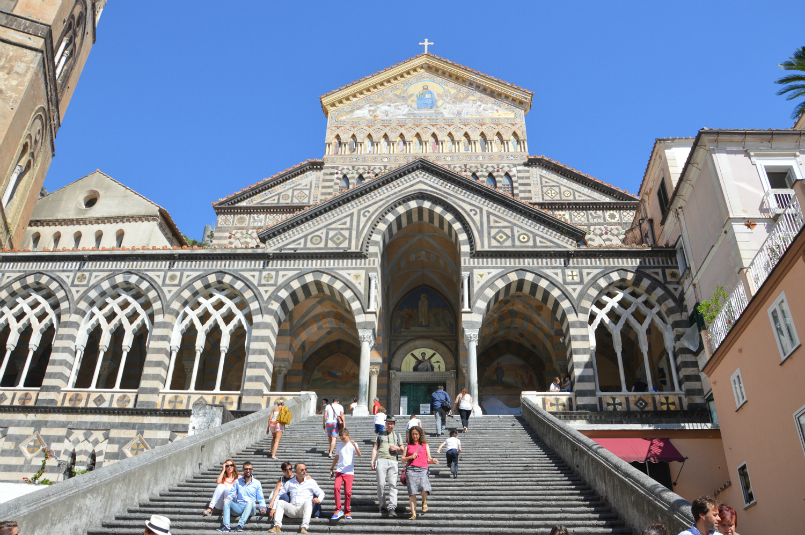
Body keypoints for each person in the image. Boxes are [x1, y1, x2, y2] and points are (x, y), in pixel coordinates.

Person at [269, 463, 325, 534]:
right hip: (293, 508)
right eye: (302, 470)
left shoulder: (311, 482)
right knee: (280, 502)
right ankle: (277, 526)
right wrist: (274, 508)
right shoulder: (290, 483)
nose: (304, 471)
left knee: (308, 502)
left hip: (304, 509)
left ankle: (304, 527)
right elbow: (279, 494)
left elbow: (321, 493)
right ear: (296, 471)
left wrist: (319, 499)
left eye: (305, 469)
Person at [401, 425, 439, 520]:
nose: (414, 436)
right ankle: (413, 514)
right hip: (411, 470)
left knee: (424, 487)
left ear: (420, 434)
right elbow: (402, 459)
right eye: (413, 434)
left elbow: (428, 459)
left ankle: (424, 500)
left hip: (423, 469)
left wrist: (433, 460)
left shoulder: (425, 445)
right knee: (412, 493)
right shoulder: (408, 445)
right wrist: (410, 457)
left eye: (416, 434)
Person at [218, 461, 266, 532]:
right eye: (246, 469)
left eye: (250, 469)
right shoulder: (237, 482)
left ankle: (240, 525)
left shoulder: (257, 483)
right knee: (227, 501)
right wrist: (228, 498)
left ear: (252, 470)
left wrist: (262, 508)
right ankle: (226, 526)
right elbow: (232, 493)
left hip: (251, 508)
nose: (248, 471)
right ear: (243, 470)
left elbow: (261, 498)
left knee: (250, 502)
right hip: (239, 507)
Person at [371, 416, 403, 517]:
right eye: (388, 423)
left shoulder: (397, 435)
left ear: (394, 424)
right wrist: (372, 460)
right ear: (386, 424)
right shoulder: (380, 434)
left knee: (393, 484)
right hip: (381, 460)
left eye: (392, 423)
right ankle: (382, 506)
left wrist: (397, 448)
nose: (390, 425)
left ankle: (392, 507)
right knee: (381, 484)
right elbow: (375, 448)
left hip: (393, 461)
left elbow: (403, 450)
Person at [329, 428, 362, 520]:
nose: (342, 440)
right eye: (341, 438)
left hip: (349, 472)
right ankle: (338, 509)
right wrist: (332, 467)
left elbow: (359, 454)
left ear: (348, 435)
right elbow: (336, 457)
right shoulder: (339, 445)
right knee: (336, 488)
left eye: (344, 438)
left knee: (348, 492)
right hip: (339, 470)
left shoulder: (352, 445)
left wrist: (355, 445)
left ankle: (347, 511)